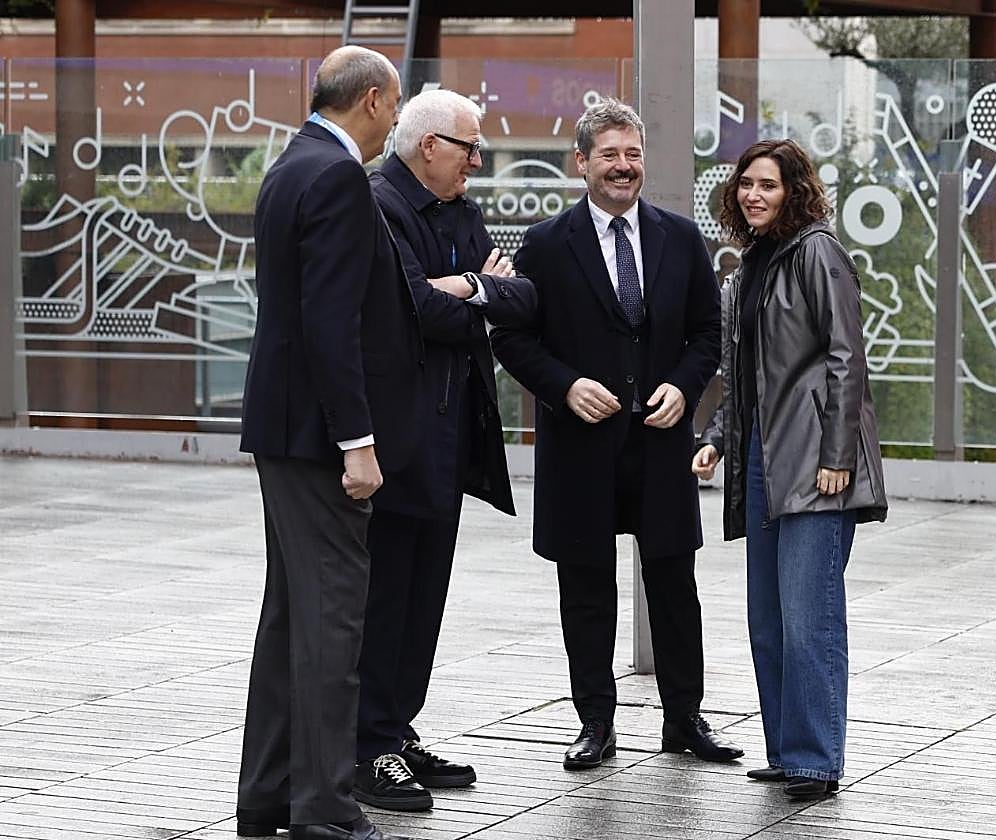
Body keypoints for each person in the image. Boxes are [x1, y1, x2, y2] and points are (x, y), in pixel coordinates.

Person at [491, 98, 742, 770]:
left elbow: (707, 334)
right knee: (586, 588)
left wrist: (685, 388)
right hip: (580, 447)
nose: (623, 167)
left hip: (660, 444)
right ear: (582, 164)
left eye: (632, 154)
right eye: (609, 155)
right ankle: (594, 724)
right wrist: (565, 385)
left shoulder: (680, 237)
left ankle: (685, 719)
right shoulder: (545, 245)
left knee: (674, 587)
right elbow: (512, 338)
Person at [236, 46, 420, 840]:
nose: (396, 119)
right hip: (319, 438)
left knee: (291, 618)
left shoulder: (291, 164)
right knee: (333, 624)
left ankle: (270, 795)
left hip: (283, 430)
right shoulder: (340, 176)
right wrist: (359, 442)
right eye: (398, 106)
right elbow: (330, 324)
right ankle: (325, 811)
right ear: (375, 101)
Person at [353, 89, 537, 811]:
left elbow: (522, 299)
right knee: (387, 597)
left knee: (424, 599)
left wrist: (466, 287)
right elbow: (409, 312)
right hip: (397, 440)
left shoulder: (457, 208)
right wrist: (480, 292)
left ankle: (396, 732)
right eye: (470, 146)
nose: (479, 159)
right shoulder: (381, 206)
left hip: (451, 437)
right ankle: (368, 747)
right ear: (429, 145)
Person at [691, 139, 888, 801]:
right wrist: (717, 436)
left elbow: (846, 358)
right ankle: (786, 749)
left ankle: (814, 759)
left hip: (814, 461)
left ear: (794, 191)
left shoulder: (816, 252)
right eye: (746, 183)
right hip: (761, 461)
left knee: (811, 619)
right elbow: (743, 374)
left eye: (768, 185)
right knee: (769, 619)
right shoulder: (751, 266)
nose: (753, 195)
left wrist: (837, 456)